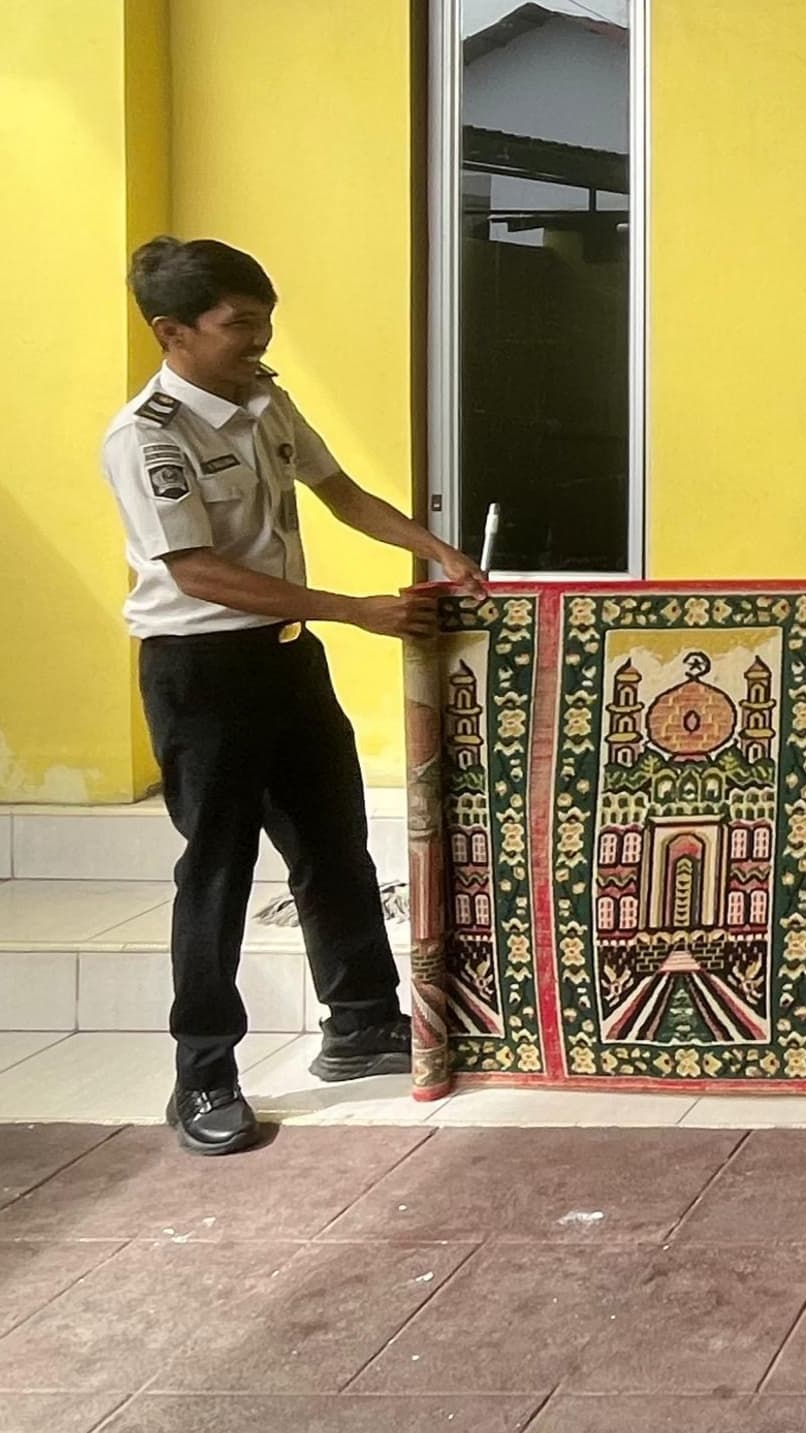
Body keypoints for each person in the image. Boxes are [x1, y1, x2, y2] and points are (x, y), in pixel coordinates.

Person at [100, 238, 485, 1153]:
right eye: (239, 323)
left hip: (285, 660)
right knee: (219, 869)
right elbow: (196, 572)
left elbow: (338, 491)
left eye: (265, 318)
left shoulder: (263, 397)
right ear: (173, 331)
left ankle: (362, 1022)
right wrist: (355, 609)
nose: (260, 337)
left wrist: (437, 550)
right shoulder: (148, 434)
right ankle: (203, 1075)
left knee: (333, 844)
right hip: (201, 673)